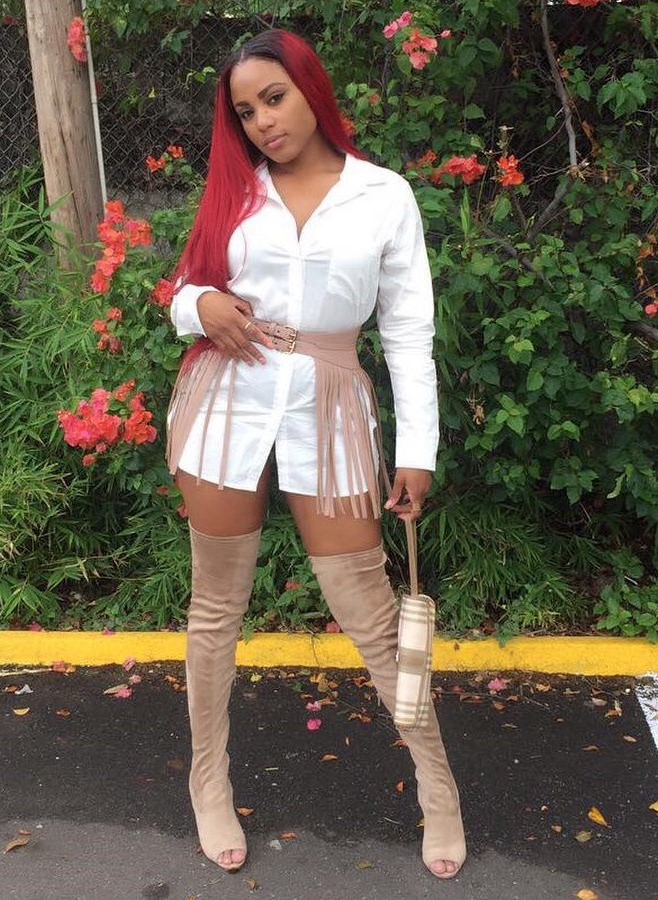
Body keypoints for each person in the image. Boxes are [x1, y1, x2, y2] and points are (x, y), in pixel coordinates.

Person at [165, 28, 466, 880]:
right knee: (215, 612)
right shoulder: (237, 191)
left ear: (310, 90)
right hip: (227, 402)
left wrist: (417, 450)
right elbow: (184, 289)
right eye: (245, 110)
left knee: (370, 613)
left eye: (274, 97)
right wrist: (201, 308)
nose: (263, 121)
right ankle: (209, 781)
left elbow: (408, 332)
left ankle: (438, 787)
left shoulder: (383, 195)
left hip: (331, 408)